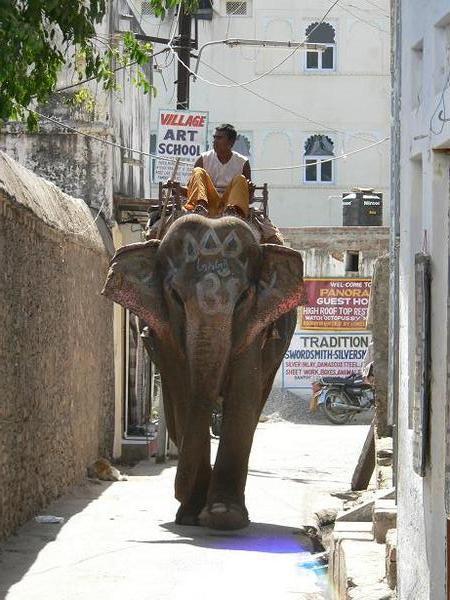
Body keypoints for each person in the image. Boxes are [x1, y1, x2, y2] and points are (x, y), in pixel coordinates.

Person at [178, 123, 254, 219]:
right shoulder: (203, 159)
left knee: (240, 179)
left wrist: (250, 191)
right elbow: (191, 191)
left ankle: (234, 212)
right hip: (208, 204)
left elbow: (250, 200)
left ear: (231, 142)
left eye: (219, 138)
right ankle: (200, 207)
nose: (215, 141)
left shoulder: (243, 162)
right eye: (214, 138)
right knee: (198, 171)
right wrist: (177, 188)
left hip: (229, 206)